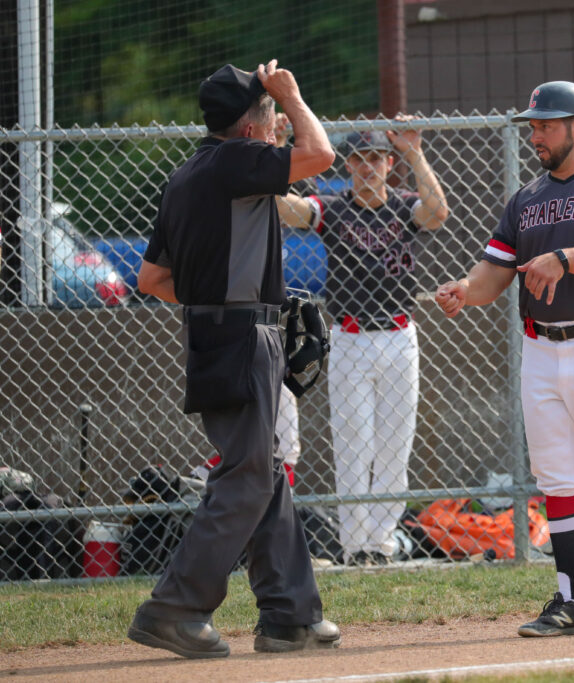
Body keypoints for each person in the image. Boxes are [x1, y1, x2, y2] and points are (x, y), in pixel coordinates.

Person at [128, 61, 339, 659]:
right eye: (269, 115)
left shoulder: (188, 172)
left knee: (261, 472)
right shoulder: (233, 160)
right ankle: (175, 608)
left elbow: (153, 279)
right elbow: (321, 155)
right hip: (245, 335)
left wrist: (217, 302)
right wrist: (293, 97)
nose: (276, 125)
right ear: (251, 126)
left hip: (216, 330)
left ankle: (289, 615)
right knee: (247, 477)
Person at [435, 81, 574, 636]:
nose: (534, 134)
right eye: (532, 125)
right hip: (539, 347)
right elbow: (494, 276)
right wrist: (466, 289)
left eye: (545, 125)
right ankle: (572, 602)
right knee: (556, 478)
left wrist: (566, 258)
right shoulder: (525, 199)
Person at [277, 121, 449, 566]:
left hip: (398, 335)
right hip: (351, 337)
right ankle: (356, 547)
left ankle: (383, 543)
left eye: (376, 159)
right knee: (353, 443)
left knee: (395, 443)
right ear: (348, 165)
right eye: (359, 159)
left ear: (388, 164)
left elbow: (437, 212)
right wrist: (276, 151)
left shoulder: (404, 207)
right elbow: (283, 207)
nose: (367, 167)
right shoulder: (333, 208)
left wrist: (414, 153)